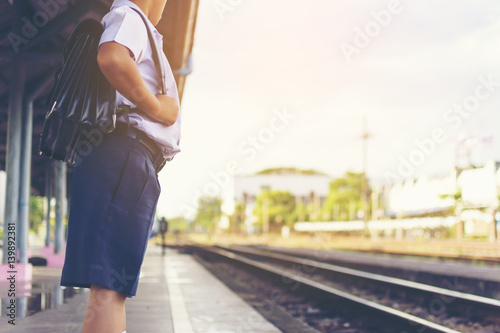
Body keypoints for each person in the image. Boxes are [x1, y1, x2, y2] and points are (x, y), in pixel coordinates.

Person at [60, 0, 181, 332]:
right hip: (124, 154)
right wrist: (157, 107)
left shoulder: (137, 23)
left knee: (110, 288)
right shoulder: (132, 15)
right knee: (110, 287)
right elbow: (112, 56)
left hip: (122, 158)